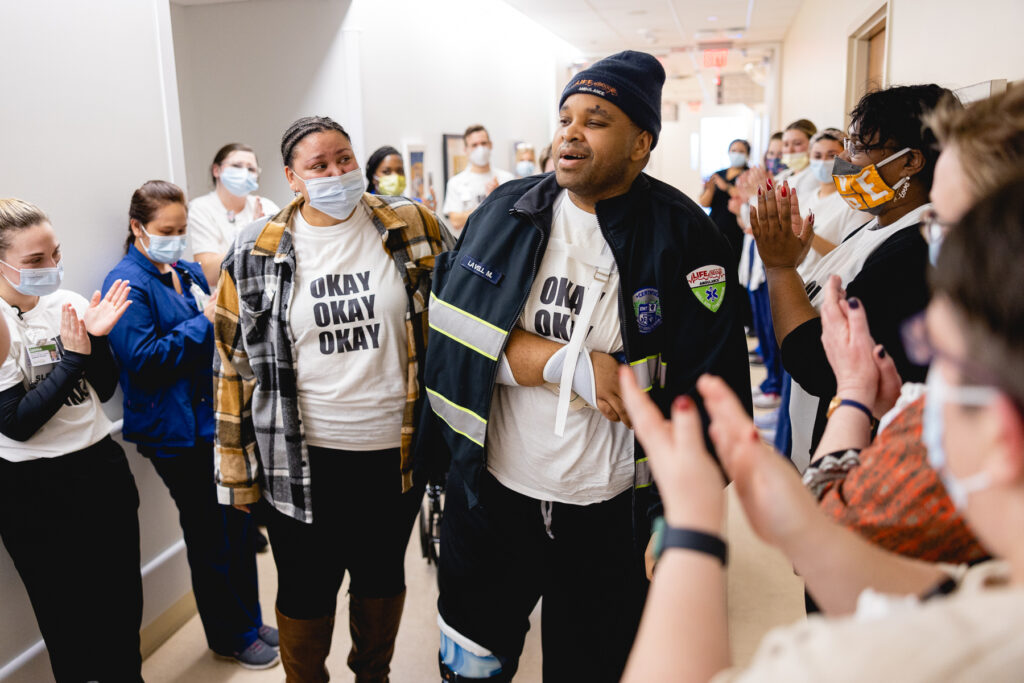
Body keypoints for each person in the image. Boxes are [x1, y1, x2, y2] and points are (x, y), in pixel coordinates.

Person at [423, 50, 750, 682]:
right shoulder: (505, 214)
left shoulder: (684, 236)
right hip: (493, 498)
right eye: (566, 116)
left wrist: (683, 515)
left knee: (590, 668)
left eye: (596, 120)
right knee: (470, 667)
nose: (570, 132)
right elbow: (451, 338)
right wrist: (571, 365)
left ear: (641, 143)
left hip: (609, 515)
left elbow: (714, 389)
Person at [618, 172, 1024, 681]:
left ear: (1001, 433)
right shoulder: (990, 589)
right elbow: (902, 588)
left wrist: (692, 530)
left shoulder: (900, 658)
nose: (917, 393)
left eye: (936, 358)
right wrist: (851, 400)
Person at [213, 115, 452, 683]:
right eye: (318, 165)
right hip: (301, 458)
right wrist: (237, 471)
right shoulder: (255, 250)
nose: (336, 172)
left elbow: (461, 320)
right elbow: (231, 366)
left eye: (344, 158)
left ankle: (374, 674)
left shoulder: (414, 225)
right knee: (304, 587)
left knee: (379, 576)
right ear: (293, 179)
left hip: (394, 453)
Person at [103, 180, 279, 670]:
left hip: (214, 420)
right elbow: (141, 360)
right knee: (211, 536)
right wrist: (203, 322)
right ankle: (230, 635)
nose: (177, 238)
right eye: (167, 229)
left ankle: (251, 618)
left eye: (182, 229)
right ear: (138, 228)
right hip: (175, 435)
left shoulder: (181, 268)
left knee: (240, 527)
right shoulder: (126, 284)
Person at [753, 85, 954, 469]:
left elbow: (816, 361)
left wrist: (779, 269)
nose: (844, 159)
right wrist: (792, 266)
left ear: (910, 161)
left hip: (862, 458)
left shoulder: (916, 249)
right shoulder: (878, 227)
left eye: (859, 147)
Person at [0, 198, 141, 681]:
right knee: (68, 627)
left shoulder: (71, 303)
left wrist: (97, 340)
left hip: (99, 468)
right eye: (36, 261)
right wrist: (74, 357)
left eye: (55, 254)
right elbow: (16, 422)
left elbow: (101, 391)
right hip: (33, 489)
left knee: (122, 612)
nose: (52, 268)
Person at [189, 143, 281, 287]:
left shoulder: (267, 206)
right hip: (222, 301)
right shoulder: (200, 208)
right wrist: (251, 237)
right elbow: (207, 273)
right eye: (237, 166)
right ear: (216, 170)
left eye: (251, 168)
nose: (244, 173)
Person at [796, 127, 873, 279]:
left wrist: (808, 234)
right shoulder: (804, 199)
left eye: (831, 155)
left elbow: (850, 257)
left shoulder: (856, 203)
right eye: (817, 156)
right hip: (799, 282)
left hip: (828, 287)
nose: (823, 162)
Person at [441, 124, 514, 234]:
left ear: (490, 145)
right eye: (474, 145)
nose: (480, 149)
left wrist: (500, 195)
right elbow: (456, 221)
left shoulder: (506, 178)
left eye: (484, 143)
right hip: (470, 246)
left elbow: (512, 215)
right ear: (466, 150)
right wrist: (490, 202)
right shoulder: (456, 182)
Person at [365, 145, 438, 211]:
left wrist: (429, 215)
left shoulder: (416, 205)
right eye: (386, 172)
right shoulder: (364, 207)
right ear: (373, 177)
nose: (395, 176)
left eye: (400, 171)